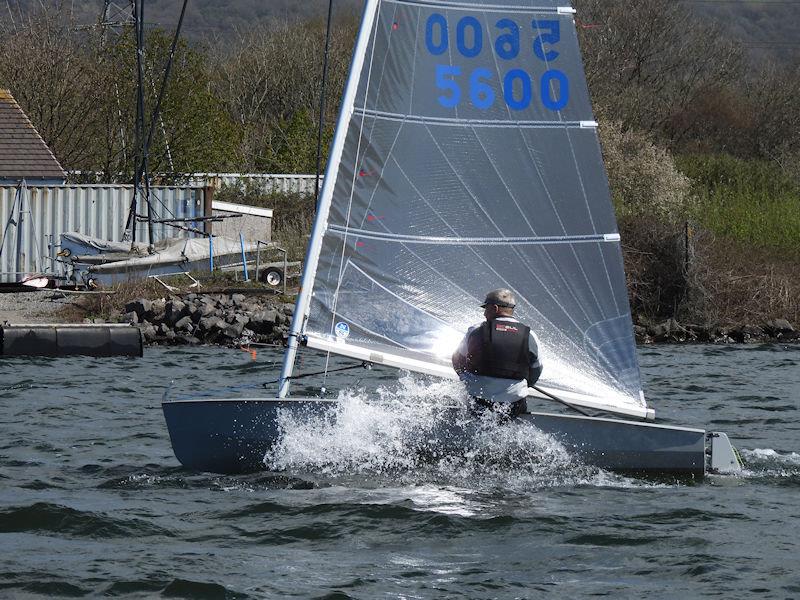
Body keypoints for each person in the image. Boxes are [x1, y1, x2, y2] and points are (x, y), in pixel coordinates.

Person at [452, 289, 542, 418]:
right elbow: (536, 370)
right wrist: (523, 384)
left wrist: (465, 379)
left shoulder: (476, 330)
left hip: (479, 399)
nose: (484, 313)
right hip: (512, 404)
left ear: (494, 308)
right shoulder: (530, 335)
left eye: (485, 308)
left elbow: (457, 359)